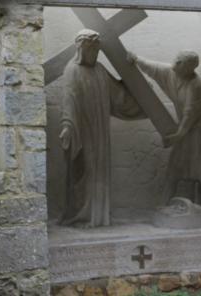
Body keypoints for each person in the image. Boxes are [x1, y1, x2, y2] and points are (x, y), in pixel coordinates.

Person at [127, 50, 201, 226]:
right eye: (176, 60)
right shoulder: (171, 72)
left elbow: (190, 115)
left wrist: (176, 137)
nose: (175, 64)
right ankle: (162, 208)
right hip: (186, 129)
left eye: (180, 63)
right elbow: (153, 68)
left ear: (189, 68)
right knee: (173, 171)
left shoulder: (196, 86)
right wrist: (135, 59)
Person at [59, 29, 145, 228]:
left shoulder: (99, 70)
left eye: (97, 51)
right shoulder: (72, 70)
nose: (95, 55)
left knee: (98, 172)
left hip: (99, 133)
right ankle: (81, 215)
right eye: (91, 51)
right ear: (81, 50)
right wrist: (67, 126)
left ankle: (97, 216)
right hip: (82, 132)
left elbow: (118, 95)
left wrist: (139, 87)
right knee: (84, 173)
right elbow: (68, 101)